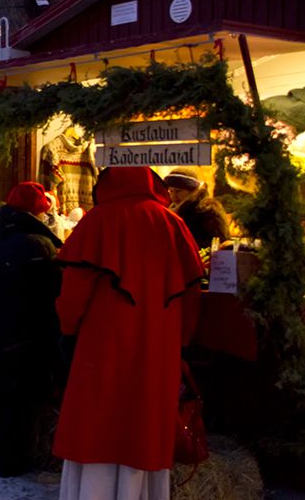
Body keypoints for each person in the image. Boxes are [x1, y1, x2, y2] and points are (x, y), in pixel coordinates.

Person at [54, 167, 203, 500]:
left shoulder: (96, 221)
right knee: (146, 426)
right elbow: (191, 295)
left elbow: (73, 295)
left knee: (97, 425)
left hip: (102, 344)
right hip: (157, 347)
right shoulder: (172, 223)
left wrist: (68, 329)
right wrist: (180, 340)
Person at [0, 181, 63, 477]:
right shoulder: (42, 246)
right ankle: (13, 463)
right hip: (21, 336)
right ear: (37, 212)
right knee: (17, 402)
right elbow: (49, 300)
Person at [164, 166, 232, 249]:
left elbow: (218, 241)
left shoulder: (208, 209)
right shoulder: (170, 210)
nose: (173, 196)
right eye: (171, 191)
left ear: (192, 190)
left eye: (178, 191)